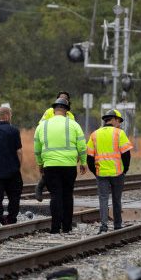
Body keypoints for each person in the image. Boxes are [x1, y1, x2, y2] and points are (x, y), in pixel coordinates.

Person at [33, 97, 87, 234]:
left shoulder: (42, 126)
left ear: (54, 110)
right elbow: (82, 146)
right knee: (67, 195)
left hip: (50, 165)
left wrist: (40, 163)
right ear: (66, 111)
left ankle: (55, 228)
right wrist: (83, 162)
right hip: (69, 165)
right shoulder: (74, 125)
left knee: (55, 195)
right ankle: (67, 227)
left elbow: (37, 148)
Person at [87, 109, 134, 234]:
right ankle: (117, 225)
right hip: (118, 173)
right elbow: (126, 155)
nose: (119, 124)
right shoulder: (119, 133)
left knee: (103, 199)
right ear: (113, 119)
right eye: (119, 121)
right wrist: (125, 170)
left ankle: (103, 226)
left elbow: (89, 158)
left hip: (101, 173)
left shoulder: (94, 134)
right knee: (116, 199)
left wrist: (95, 171)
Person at [35, 91, 76, 202]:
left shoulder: (71, 116)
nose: (63, 100)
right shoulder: (49, 112)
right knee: (50, 169)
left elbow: (74, 131)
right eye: (60, 98)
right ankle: (40, 187)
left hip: (65, 146)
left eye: (65, 98)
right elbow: (40, 125)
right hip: (51, 143)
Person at [0, 105, 23, 224]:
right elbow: (19, 151)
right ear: (7, 116)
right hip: (12, 171)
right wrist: (18, 167)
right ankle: (12, 218)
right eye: (10, 115)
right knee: (14, 196)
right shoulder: (14, 131)